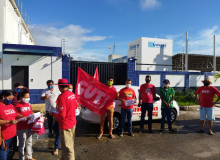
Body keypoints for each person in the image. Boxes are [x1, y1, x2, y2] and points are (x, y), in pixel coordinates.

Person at [51, 79, 77, 160]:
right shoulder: (72, 94)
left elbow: (62, 115)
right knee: (66, 145)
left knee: (68, 148)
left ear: (59, 87)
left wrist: (53, 114)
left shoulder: (63, 97)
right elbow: (75, 107)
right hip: (73, 123)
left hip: (66, 125)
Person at [0, 90, 26, 160]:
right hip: (3, 136)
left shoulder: (10, 105)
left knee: (7, 150)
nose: (11, 100)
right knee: (2, 152)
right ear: (3, 97)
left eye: (12, 99)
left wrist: (21, 116)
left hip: (12, 134)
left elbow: (15, 114)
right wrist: (9, 121)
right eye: (9, 98)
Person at [15, 91, 36, 160]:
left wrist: (36, 115)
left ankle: (29, 156)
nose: (28, 99)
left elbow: (31, 112)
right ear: (21, 98)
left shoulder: (28, 104)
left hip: (29, 125)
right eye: (26, 97)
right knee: (22, 143)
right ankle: (21, 157)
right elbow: (16, 115)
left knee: (29, 142)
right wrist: (23, 118)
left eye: (28, 97)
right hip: (21, 127)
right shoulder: (17, 105)